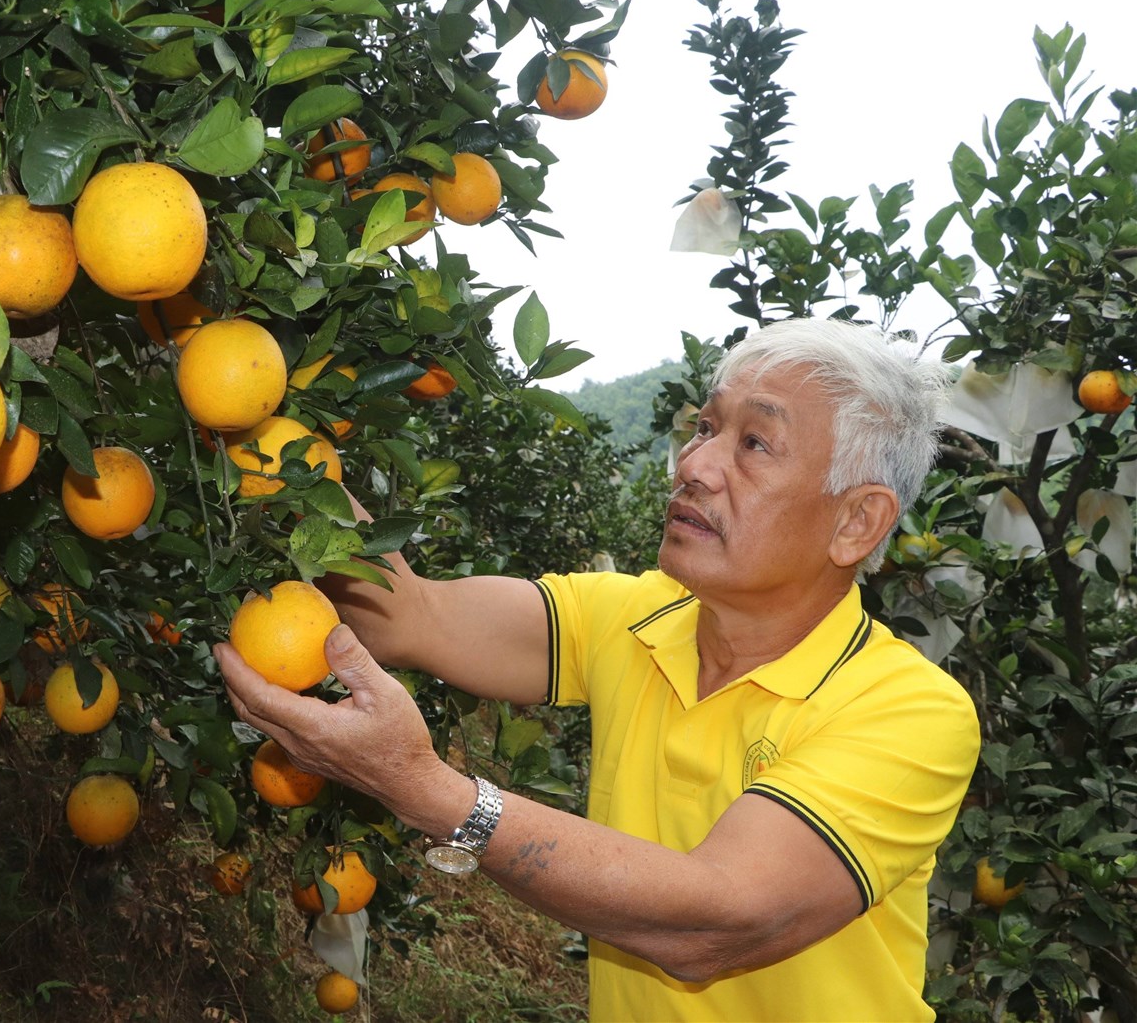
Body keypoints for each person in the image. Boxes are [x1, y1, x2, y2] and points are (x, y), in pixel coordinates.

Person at [216, 318, 982, 1021]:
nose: (696, 462)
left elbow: (715, 919)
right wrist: (277, 440)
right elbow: (408, 615)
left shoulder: (907, 710)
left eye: (754, 444)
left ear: (857, 521)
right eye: (706, 426)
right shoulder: (632, 618)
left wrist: (426, 788)